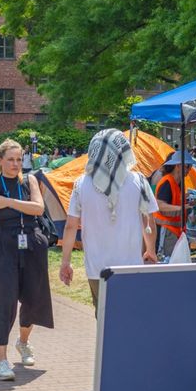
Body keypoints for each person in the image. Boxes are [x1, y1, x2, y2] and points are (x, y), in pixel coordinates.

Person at [0, 140, 54, 381]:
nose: (16, 164)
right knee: (4, 302)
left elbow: (38, 209)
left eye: (19, 160)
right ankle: (1, 361)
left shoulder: (30, 181)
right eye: (11, 159)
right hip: (3, 247)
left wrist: (8, 203)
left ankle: (23, 342)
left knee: (33, 298)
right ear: (0, 161)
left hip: (32, 243)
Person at [58, 129, 158, 308]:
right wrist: (150, 249)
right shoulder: (139, 181)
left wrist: (66, 261)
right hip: (130, 266)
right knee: (130, 314)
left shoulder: (81, 184)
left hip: (97, 268)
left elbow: (71, 226)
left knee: (104, 318)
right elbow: (148, 222)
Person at [154, 152, 193, 259]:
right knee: (170, 264)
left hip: (176, 231)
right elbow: (160, 205)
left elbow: (175, 200)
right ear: (178, 166)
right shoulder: (167, 182)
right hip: (167, 232)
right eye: (188, 166)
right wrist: (181, 208)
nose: (189, 170)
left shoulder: (179, 183)